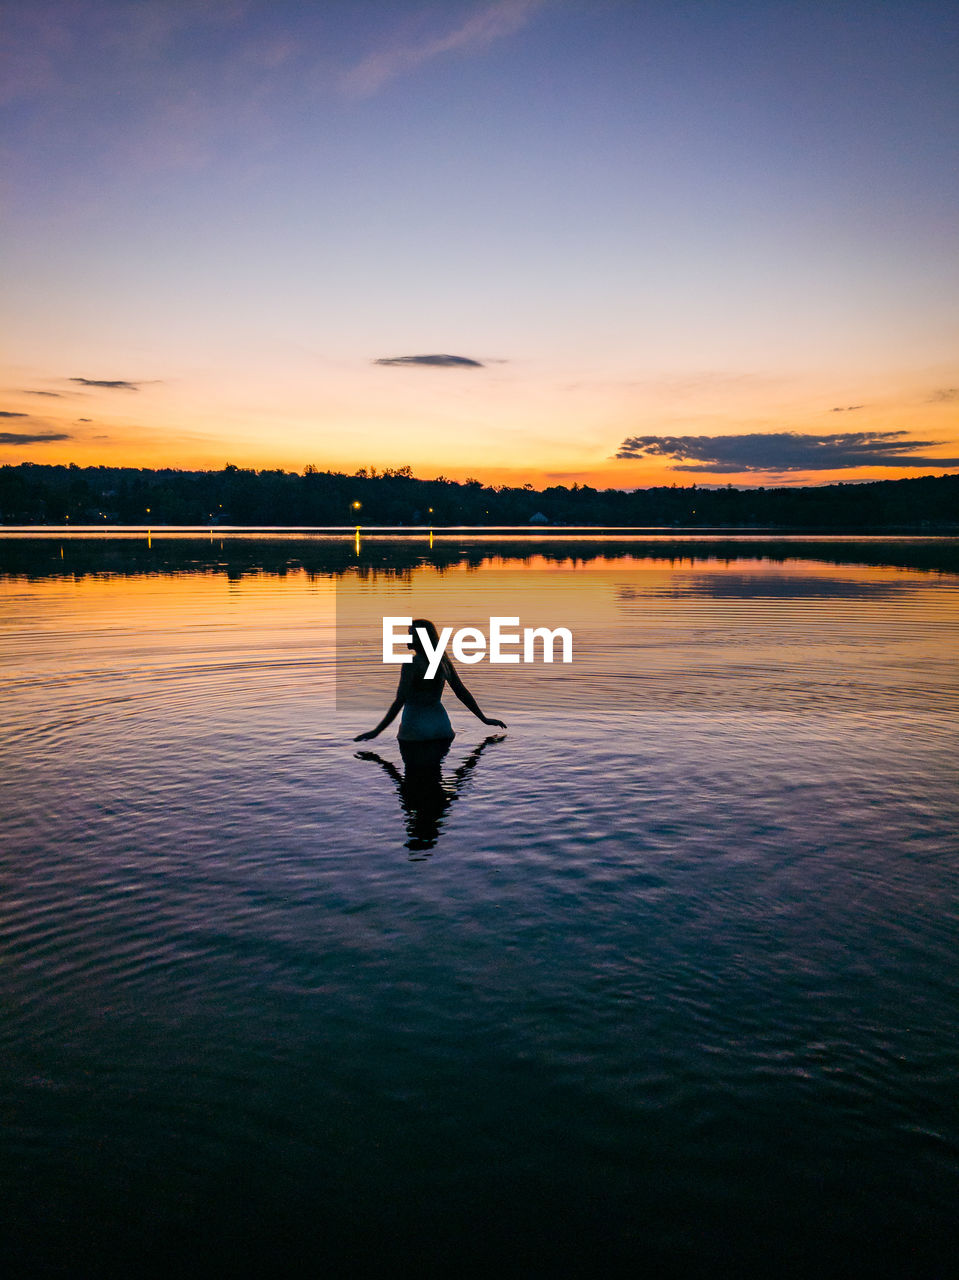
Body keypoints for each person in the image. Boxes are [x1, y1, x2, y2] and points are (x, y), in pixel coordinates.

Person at [354, 617, 507, 745]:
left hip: (415, 731)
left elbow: (399, 701)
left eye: (410, 634)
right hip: (442, 729)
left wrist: (376, 731)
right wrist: (484, 719)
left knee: (412, 780)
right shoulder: (443, 661)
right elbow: (461, 692)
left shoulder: (411, 664)